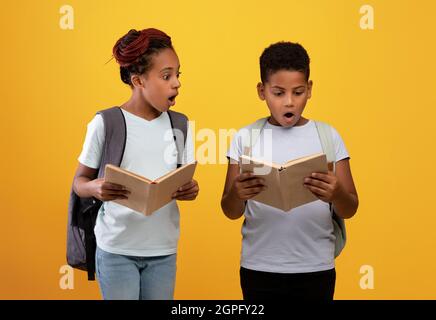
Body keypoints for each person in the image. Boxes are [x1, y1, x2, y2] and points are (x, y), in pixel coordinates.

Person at [221, 41, 358, 300]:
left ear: (310, 89)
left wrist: (336, 193)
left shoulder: (328, 136)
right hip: (259, 267)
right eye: (278, 92)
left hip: (316, 267)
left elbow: (350, 208)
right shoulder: (245, 138)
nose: (289, 102)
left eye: (298, 92)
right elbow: (230, 210)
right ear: (262, 91)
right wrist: (238, 194)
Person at [72, 28, 199, 300]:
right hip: (116, 249)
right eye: (166, 76)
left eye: (178, 74)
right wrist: (95, 187)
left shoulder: (181, 125)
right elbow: (79, 183)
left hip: (163, 250)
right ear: (139, 80)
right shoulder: (106, 123)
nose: (176, 83)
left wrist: (190, 190)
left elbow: (183, 180)